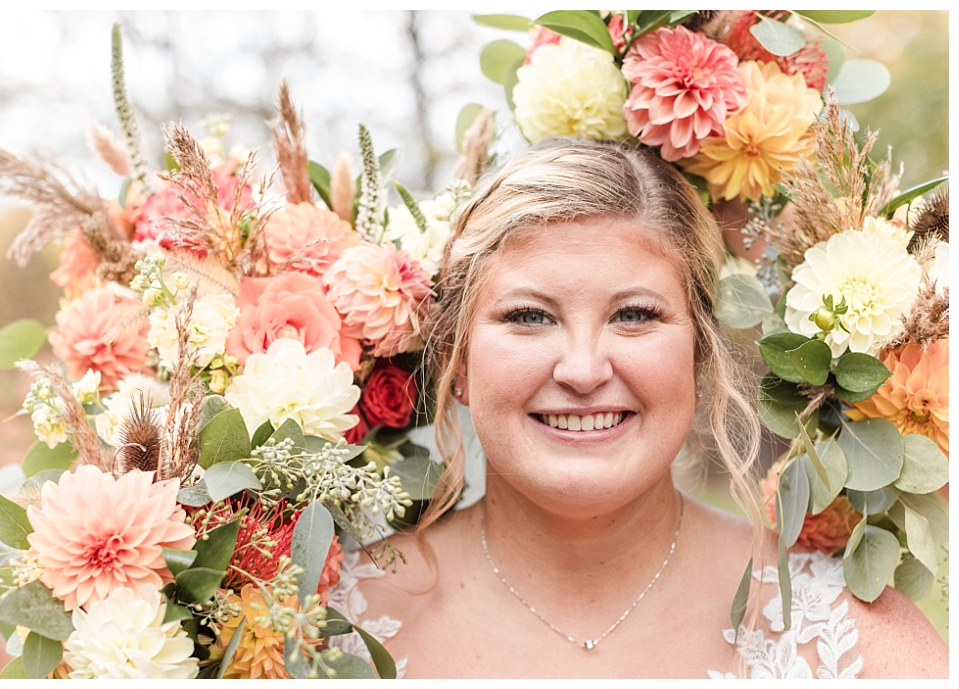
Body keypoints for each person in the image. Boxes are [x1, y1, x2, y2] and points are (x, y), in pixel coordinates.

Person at [329, 138, 948, 678]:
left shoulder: (856, 644)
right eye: (527, 316)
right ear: (458, 361)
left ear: (701, 356)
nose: (582, 371)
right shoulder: (319, 627)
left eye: (635, 315)